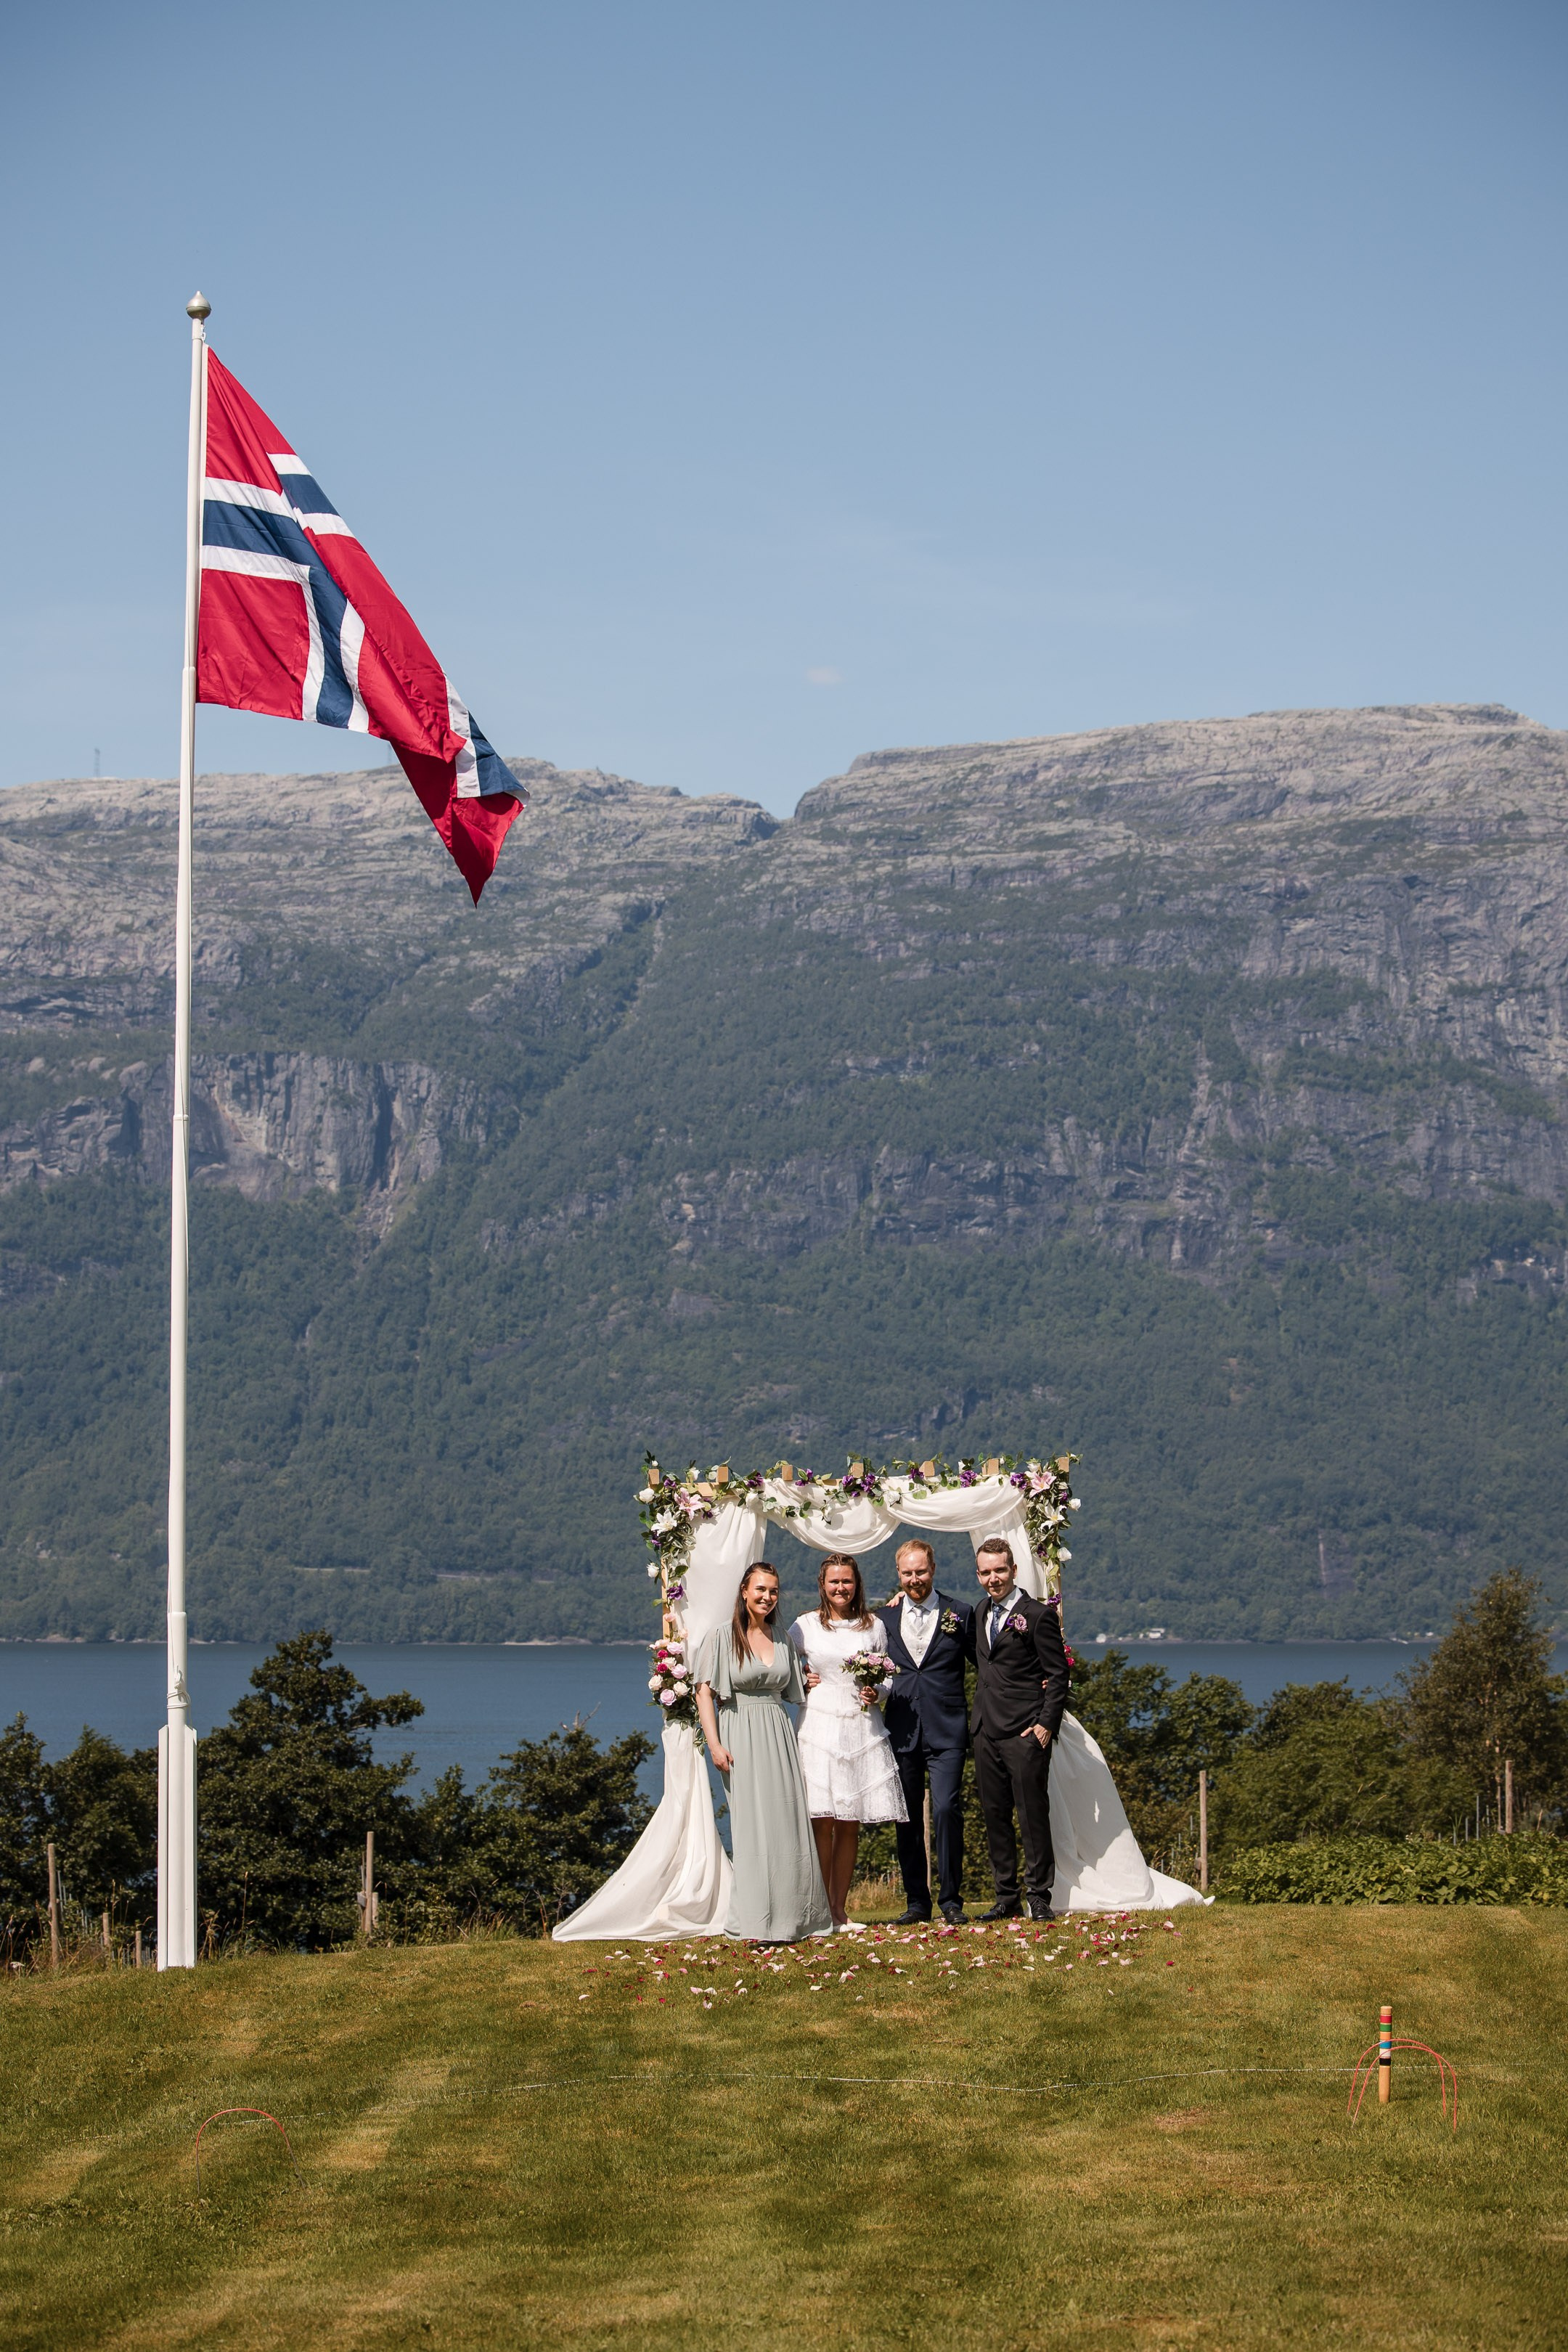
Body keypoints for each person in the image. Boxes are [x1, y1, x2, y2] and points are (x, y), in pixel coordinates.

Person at [694, 1561, 831, 1942]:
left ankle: (795, 1918)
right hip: (739, 1732)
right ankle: (754, 1921)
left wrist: (807, 1679)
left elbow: (790, 1690)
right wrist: (714, 1744)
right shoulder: (721, 1636)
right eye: (760, 1589)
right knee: (752, 1827)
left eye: (773, 1591)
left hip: (779, 1732)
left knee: (788, 1823)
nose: (767, 1597)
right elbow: (704, 1692)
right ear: (744, 1591)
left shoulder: (783, 1638)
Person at [788, 1554, 907, 1931]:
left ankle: (840, 1911)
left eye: (847, 1581)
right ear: (822, 1585)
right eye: (834, 1582)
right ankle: (819, 1910)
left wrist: (878, 1692)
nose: (841, 1588)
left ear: (857, 1584)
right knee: (821, 1820)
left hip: (860, 1725)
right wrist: (800, 1679)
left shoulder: (874, 1626)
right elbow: (781, 1665)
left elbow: (887, 1674)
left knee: (850, 1821)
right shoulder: (805, 1625)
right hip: (819, 1724)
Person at [875, 1537, 976, 1925]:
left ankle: (951, 1901)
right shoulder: (883, 1619)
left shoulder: (960, 1613)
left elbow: (988, 1662)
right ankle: (917, 1902)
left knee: (947, 1810)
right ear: (898, 1574)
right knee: (907, 1818)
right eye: (907, 1573)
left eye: (920, 1571)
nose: (914, 1579)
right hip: (902, 1729)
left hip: (948, 1728)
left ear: (932, 1570)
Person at [971, 1534, 1070, 1921]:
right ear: (978, 1575)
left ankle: (1040, 1895)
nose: (993, 1578)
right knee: (995, 1815)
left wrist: (1046, 1725)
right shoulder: (980, 1612)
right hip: (985, 1729)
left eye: (999, 1570)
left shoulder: (1039, 1615)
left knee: (1032, 1815)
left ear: (1013, 1570)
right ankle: (1006, 1897)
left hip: (1026, 1732)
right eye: (985, 1572)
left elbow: (1058, 1674)